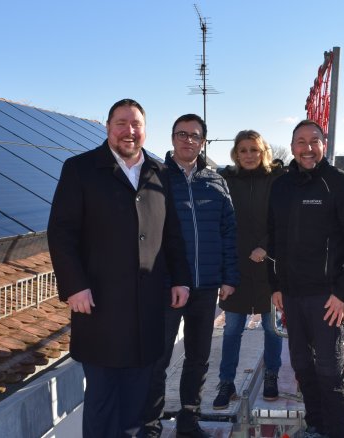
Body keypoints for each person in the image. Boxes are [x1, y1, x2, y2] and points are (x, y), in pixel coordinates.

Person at [47, 98, 192, 438]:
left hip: (147, 309)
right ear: (108, 127)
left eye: (136, 124)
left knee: (137, 403)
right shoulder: (80, 169)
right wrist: (74, 286)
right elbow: (61, 232)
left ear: (145, 129)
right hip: (99, 306)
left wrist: (181, 280)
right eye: (121, 123)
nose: (129, 131)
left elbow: (172, 233)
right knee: (102, 399)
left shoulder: (160, 173)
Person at [267, 120, 344, 438]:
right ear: (292, 145)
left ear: (324, 145)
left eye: (314, 141)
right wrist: (276, 286)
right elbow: (274, 240)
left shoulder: (342, 183)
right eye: (300, 141)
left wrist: (343, 293)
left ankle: (336, 433)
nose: (307, 148)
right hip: (293, 295)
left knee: (329, 371)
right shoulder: (281, 186)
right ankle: (316, 427)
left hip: (328, 297)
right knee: (301, 365)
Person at [141, 114, 238, 438]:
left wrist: (229, 277)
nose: (188, 140)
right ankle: (151, 424)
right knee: (158, 358)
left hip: (207, 285)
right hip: (167, 286)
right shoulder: (155, 177)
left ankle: (188, 419)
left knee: (198, 358)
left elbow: (229, 232)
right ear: (171, 139)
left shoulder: (216, 181)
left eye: (194, 135)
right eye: (181, 134)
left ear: (203, 141)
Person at [213, 130, 286, 410]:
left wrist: (265, 247)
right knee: (231, 329)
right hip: (236, 265)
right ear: (236, 154)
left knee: (271, 327)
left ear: (264, 151)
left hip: (269, 266)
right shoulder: (227, 180)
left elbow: (283, 219)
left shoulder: (277, 180)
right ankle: (226, 382)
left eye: (254, 149)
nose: (249, 155)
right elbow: (221, 221)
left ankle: (271, 375)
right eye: (243, 150)